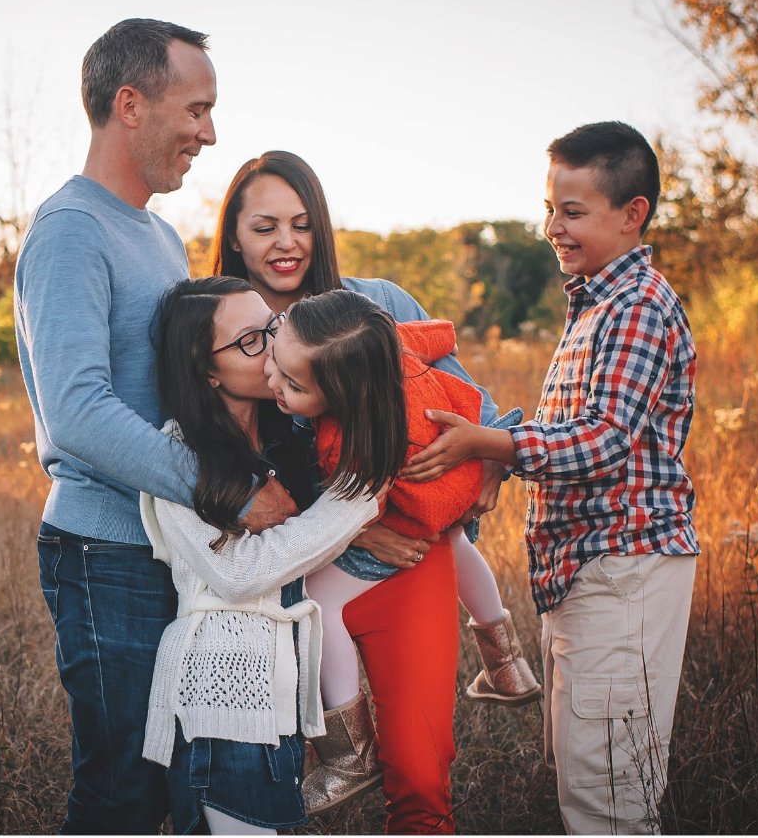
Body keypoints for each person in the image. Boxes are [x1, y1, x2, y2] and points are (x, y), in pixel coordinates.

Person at [12, 21, 296, 834]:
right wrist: (231, 491)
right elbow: (77, 412)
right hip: (107, 553)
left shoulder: (158, 234)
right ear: (129, 104)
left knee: (186, 781)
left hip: (171, 548)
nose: (210, 133)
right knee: (121, 795)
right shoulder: (71, 229)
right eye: (197, 109)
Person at [212, 150, 529, 834]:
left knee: (418, 771)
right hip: (279, 573)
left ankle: (500, 654)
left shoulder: (377, 305)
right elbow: (216, 468)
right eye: (264, 226)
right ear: (233, 236)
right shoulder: (218, 326)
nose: (286, 242)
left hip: (404, 563)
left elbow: (468, 406)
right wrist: (351, 526)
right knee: (267, 779)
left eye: (301, 223)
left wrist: (471, 473)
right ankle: (345, 753)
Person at [401, 121, 700, 834]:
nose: (551, 228)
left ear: (632, 215)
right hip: (586, 569)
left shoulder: (635, 307)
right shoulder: (595, 301)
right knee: (582, 775)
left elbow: (600, 441)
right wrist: (500, 460)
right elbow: (573, 429)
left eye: (572, 211)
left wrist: (496, 444)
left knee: (609, 793)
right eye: (549, 208)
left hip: (623, 568)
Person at [262, 290, 541, 817]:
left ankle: (351, 751)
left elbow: (359, 513)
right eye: (274, 361)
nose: (274, 383)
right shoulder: (377, 340)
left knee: (319, 602)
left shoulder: (355, 442)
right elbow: (440, 333)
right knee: (459, 546)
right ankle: (507, 663)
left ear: (343, 397)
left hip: (413, 521)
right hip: (474, 443)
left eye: (295, 386)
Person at [138, 277, 386, 834]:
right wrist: (355, 502)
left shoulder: (289, 436)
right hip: (220, 695)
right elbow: (238, 572)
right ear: (206, 370)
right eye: (250, 341)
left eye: (273, 327)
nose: (273, 346)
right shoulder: (176, 453)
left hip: (275, 697)